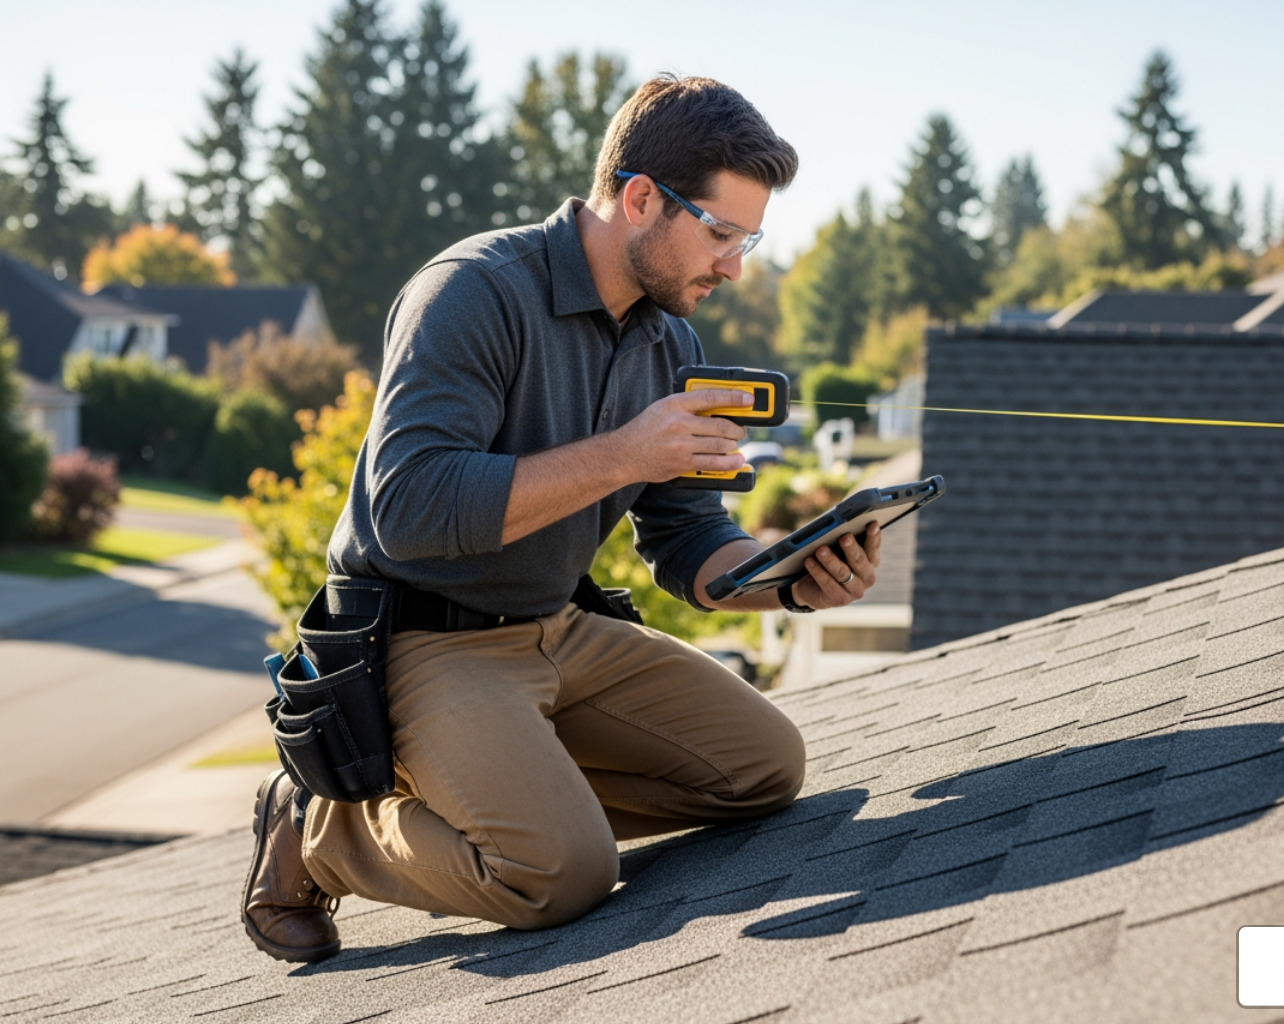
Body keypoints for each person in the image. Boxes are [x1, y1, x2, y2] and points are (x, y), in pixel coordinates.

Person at [241, 74, 883, 963]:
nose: (735, 266)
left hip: (559, 628)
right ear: (640, 198)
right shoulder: (472, 292)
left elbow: (686, 538)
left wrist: (787, 581)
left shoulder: (669, 340)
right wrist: (626, 452)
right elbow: (408, 508)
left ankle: (516, 784)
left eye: (750, 238)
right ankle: (322, 828)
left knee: (765, 770)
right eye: (723, 234)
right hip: (426, 641)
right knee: (556, 875)